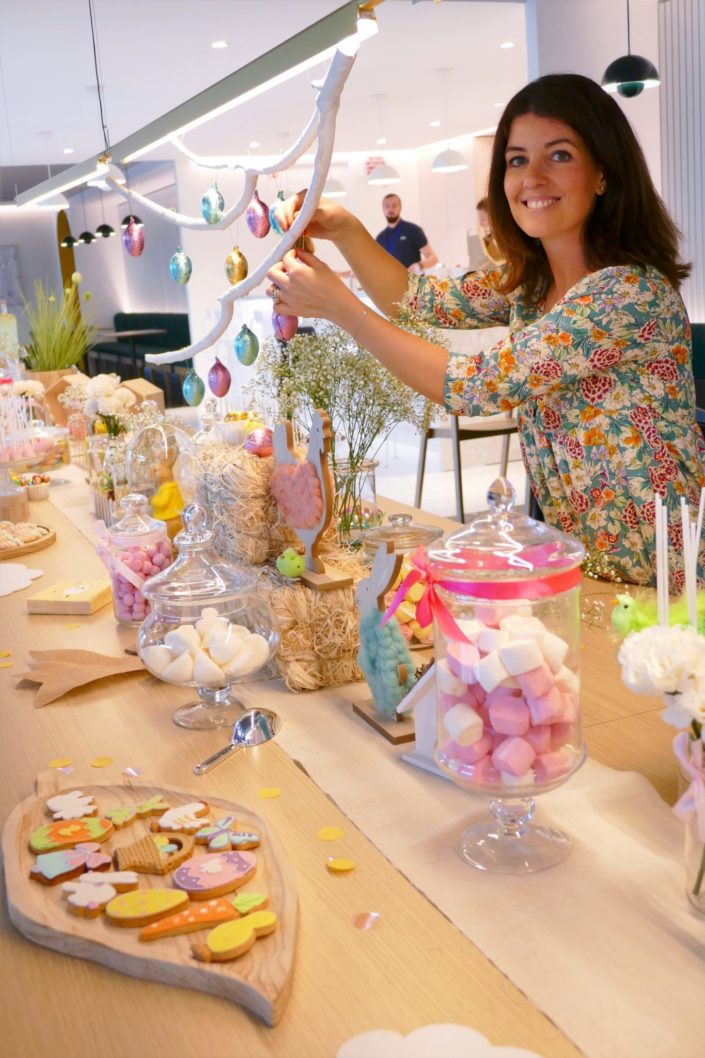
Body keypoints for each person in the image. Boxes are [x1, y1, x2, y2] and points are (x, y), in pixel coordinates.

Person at [267, 73, 705, 587]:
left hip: (667, 583)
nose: (532, 178)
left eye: (559, 155)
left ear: (603, 173)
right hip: (584, 570)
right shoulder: (530, 284)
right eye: (517, 160)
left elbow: (474, 385)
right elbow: (416, 300)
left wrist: (341, 308)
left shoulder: (627, 293)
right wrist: (343, 228)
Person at [375, 193, 438, 273]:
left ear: (400, 207)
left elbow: (433, 258)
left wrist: (419, 266)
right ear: (383, 209)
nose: (390, 209)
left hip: (412, 282)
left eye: (394, 205)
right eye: (387, 206)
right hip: (390, 283)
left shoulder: (413, 230)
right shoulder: (380, 238)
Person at [467, 197, 504, 270]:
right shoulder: (488, 238)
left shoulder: (506, 240)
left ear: (494, 217)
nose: (480, 224)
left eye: (483, 219)